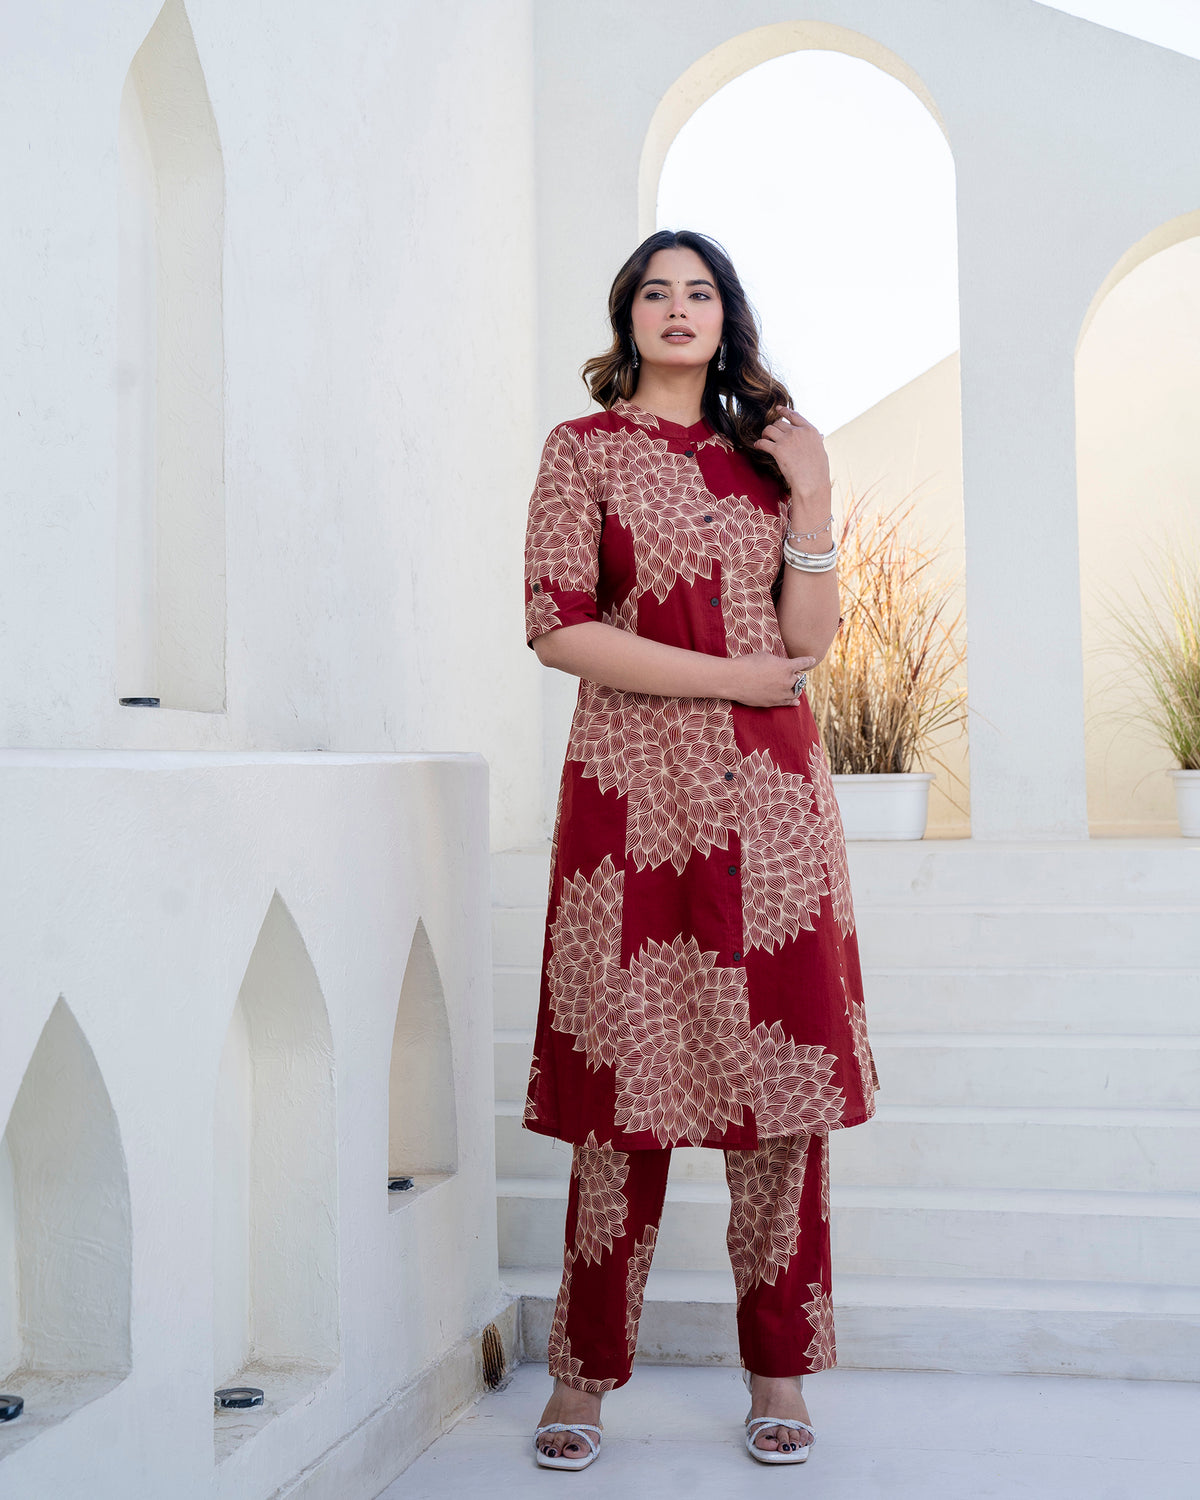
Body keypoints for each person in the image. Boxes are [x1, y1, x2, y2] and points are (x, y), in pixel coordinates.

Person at [521, 228, 878, 1472]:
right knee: (624, 1097)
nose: (680, 308)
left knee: (781, 1102)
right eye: (656, 293)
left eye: (702, 292)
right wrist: (729, 678)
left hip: (771, 803)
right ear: (627, 319)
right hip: (635, 802)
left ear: (727, 319)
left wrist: (813, 498)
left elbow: (807, 639)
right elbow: (557, 628)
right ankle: (581, 1379)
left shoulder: (763, 461)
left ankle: (779, 1374)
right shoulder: (584, 451)